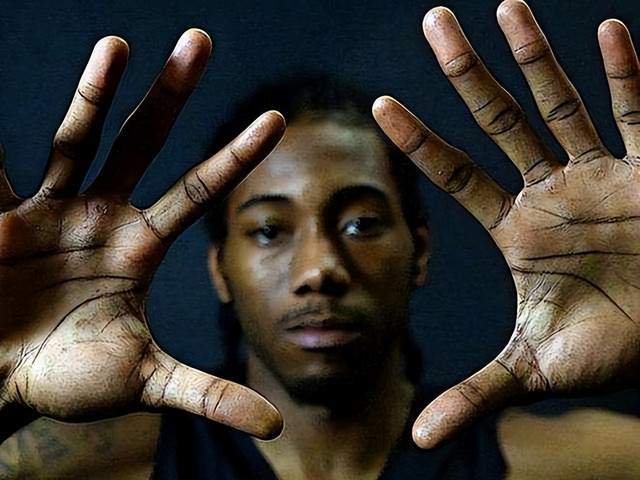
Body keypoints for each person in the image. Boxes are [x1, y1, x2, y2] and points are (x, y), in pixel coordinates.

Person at [2, 0, 640, 479]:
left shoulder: (565, 464)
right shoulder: (98, 466)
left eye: (361, 224)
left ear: (419, 253)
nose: (320, 269)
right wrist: (4, 381)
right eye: (269, 230)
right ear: (220, 269)